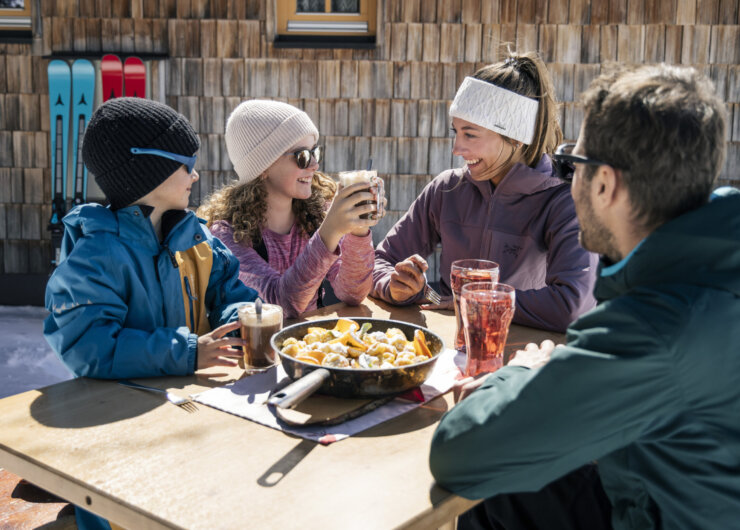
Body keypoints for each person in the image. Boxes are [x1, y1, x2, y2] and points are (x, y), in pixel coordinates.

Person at [429, 63, 740, 529]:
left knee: (487, 485)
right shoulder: (710, 277)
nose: (565, 182)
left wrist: (517, 373)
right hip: (665, 499)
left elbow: (459, 451)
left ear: (604, 184)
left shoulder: (655, 325)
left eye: (571, 165)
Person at [44, 97, 259, 530]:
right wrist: (186, 352)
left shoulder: (194, 236)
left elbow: (227, 290)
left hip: (186, 415)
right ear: (147, 169)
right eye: (187, 163)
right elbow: (88, 347)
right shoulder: (97, 254)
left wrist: (240, 318)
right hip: (116, 431)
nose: (196, 174)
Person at [371, 51, 598, 332]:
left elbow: (573, 305)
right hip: (447, 351)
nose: (456, 148)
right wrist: (394, 286)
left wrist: (477, 301)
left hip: (521, 357)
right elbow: (378, 262)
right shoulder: (447, 189)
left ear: (515, 137)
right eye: (455, 132)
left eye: (470, 134)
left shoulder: (563, 200)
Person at [198, 99, 379, 318]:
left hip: (311, 347)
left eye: (315, 152)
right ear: (263, 167)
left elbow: (352, 293)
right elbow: (279, 306)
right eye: (302, 156)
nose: (314, 165)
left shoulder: (315, 214)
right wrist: (329, 232)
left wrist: (358, 229)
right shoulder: (227, 235)